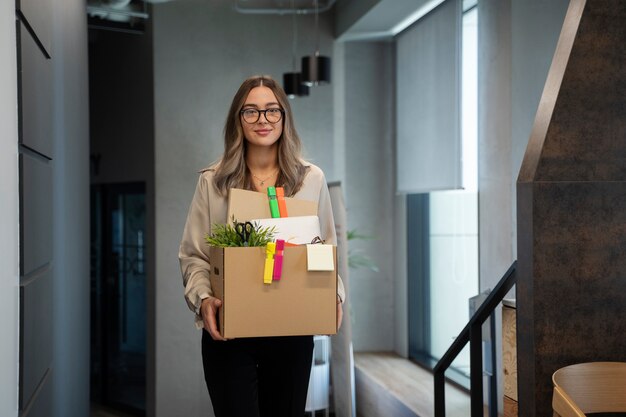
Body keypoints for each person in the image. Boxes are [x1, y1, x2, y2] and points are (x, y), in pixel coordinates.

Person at [178, 75, 345, 417]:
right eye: (250, 111)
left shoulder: (310, 179)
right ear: (237, 119)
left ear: (284, 117)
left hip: (291, 329)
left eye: (272, 111)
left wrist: (334, 294)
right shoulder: (213, 181)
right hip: (230, 331)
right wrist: (204, 298)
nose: (262, 120)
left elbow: (326, 246)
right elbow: (194, 254)